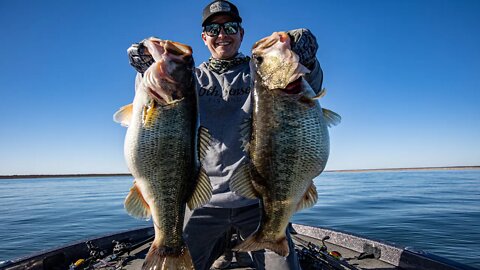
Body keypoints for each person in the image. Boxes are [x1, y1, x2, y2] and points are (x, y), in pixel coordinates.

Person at [127, 1, 323, 269]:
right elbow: (153, 98)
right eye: (213, 28)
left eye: (230, 27)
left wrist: (306, 58)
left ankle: (236, 249)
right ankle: (227, 249)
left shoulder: (260, 71)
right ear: (204, 36)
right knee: (172, 258)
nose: (222, 35)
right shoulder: (190, 77)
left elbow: (306, 85)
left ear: (241, 33)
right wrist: (145, 67)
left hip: (258, 198)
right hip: (202, 201)